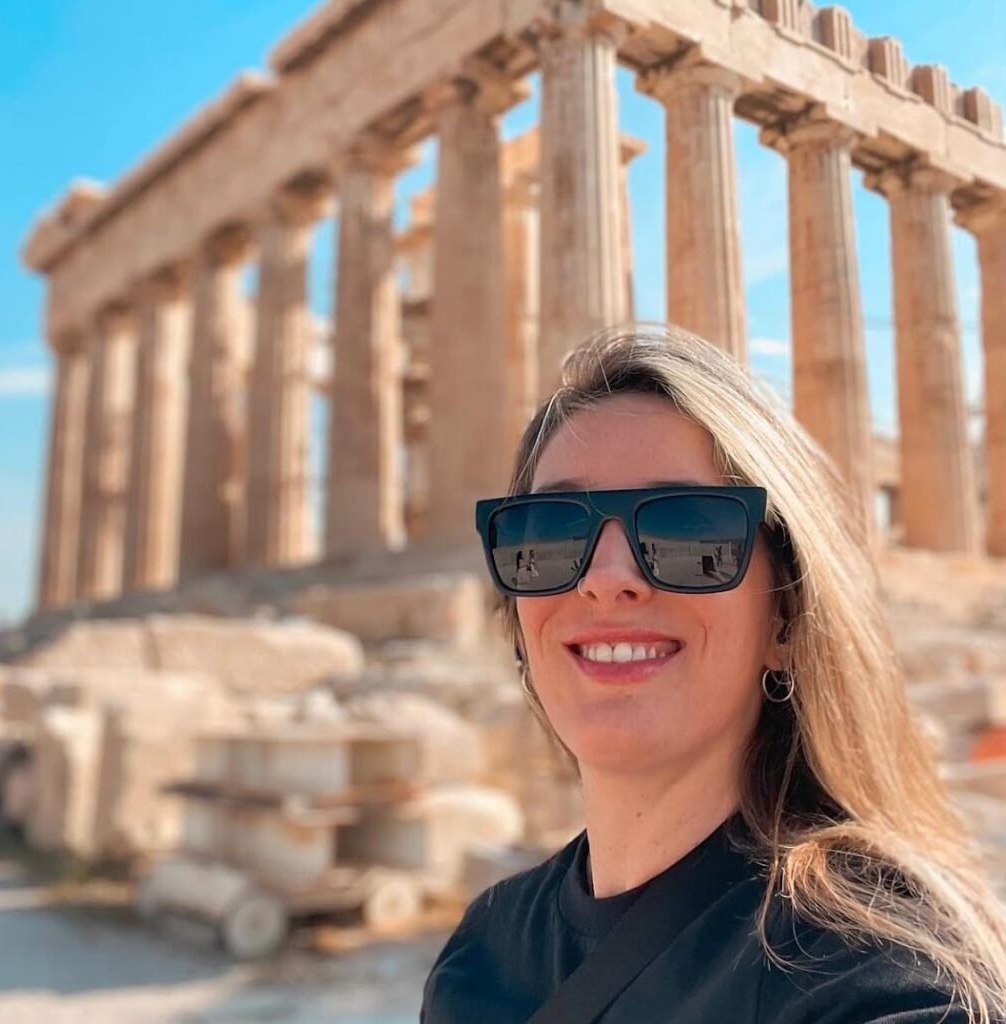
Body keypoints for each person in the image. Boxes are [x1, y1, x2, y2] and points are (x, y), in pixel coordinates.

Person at [421, 326, 1006, 1023]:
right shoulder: (484, 951)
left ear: (785, 619)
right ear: (519, 621)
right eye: (550, 533)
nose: (607, 580)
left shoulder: (889, 982)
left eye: (688, 530)